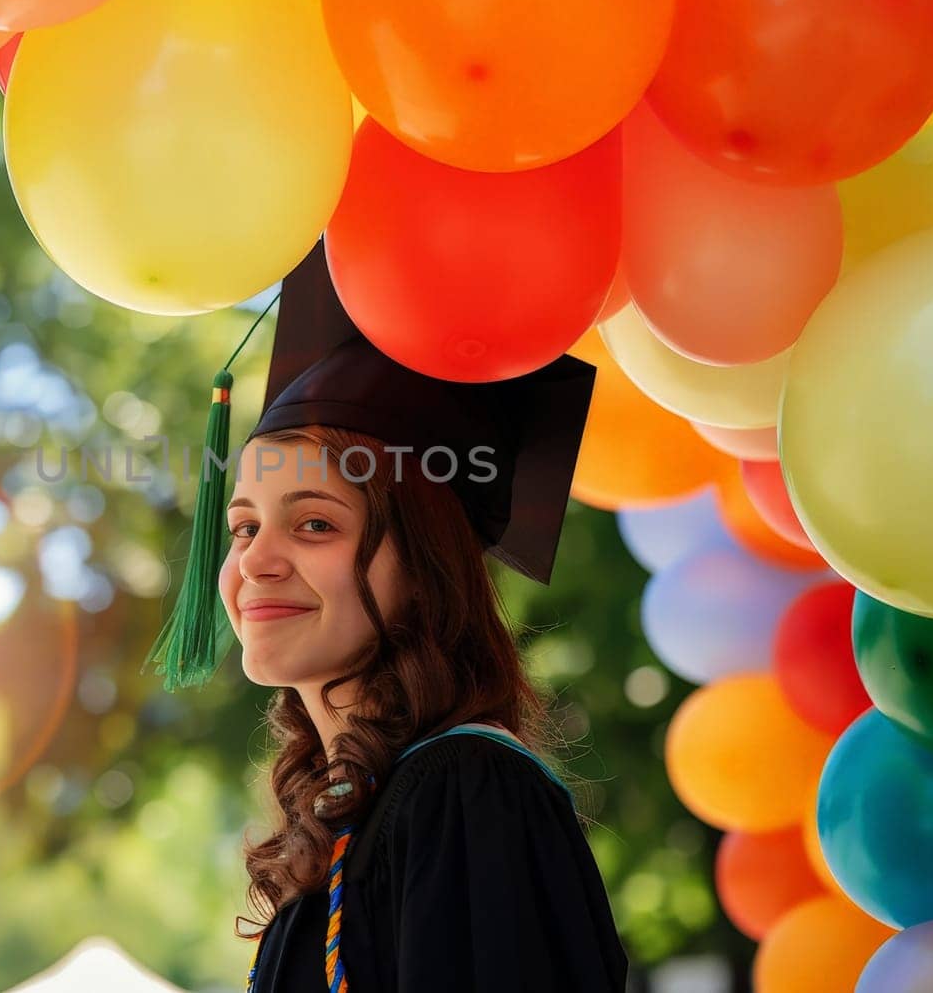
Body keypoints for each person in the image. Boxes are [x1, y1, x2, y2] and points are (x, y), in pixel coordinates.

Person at [143, 243, 628, 991]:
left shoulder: (468, 790)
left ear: (426, 566)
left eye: (314, 525)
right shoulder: (341, 827)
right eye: (244, 527)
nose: (256, 562)